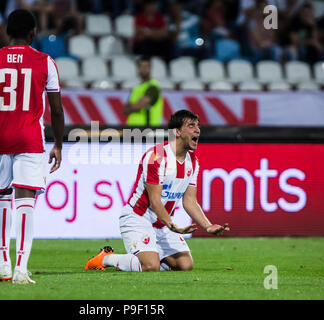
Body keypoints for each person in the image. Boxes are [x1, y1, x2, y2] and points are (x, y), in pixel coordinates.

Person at [0, 9, 65, 284]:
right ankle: (21, 268)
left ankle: (3, 265)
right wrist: (58, 144)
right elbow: (57, 111)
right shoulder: (45, 62)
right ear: (33, 34)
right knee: (25, 201)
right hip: (29, 140)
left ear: (7, 32)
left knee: (0, 198)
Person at [85, 110, 230, 272]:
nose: (197, 130)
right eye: (191, 126)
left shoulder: (193, 162)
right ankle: (105, 258)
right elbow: (154, 201)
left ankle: (147, 255)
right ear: (177, 131)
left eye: (198, 126)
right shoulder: (157, 156)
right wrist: (172, 225)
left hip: (162, 224)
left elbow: (189, 200)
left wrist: (208, 226)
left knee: (185, 265)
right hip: (138, 219)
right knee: (150, 266)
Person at [123, 56, 163, 127]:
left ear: (150, 68)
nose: (144, 69)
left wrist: (131, 106)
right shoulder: (136, 88)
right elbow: (125, 110)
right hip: (133, 130)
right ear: (137, 69)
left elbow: (137, 107)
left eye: (146, 66)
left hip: (147, 130)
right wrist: (134, 106)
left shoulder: (153, 87)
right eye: (141, 66)